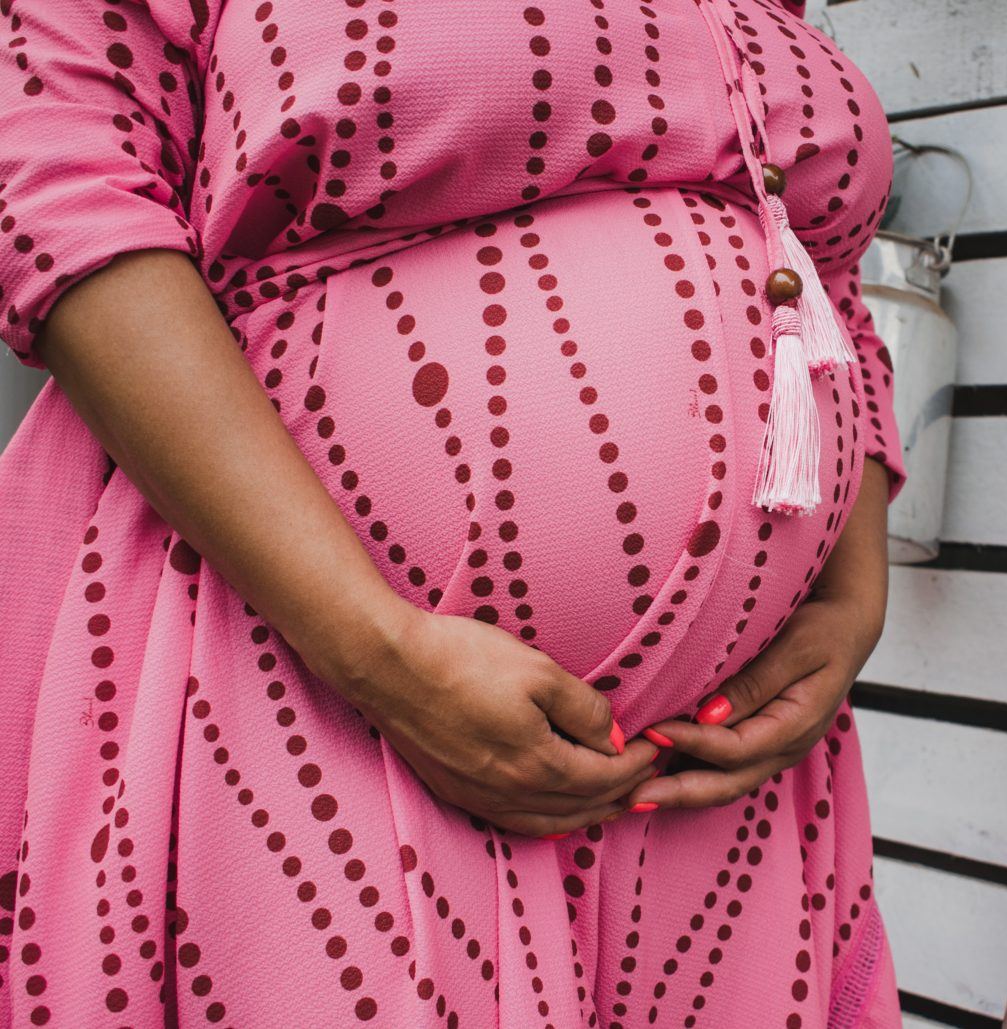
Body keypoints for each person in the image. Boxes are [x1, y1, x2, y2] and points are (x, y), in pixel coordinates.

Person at [0, 0, 909, 1024]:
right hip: (313, 688)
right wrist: (375, 652)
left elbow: (825, 284)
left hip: (714, 794)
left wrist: (854, 592)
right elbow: (64, 197)